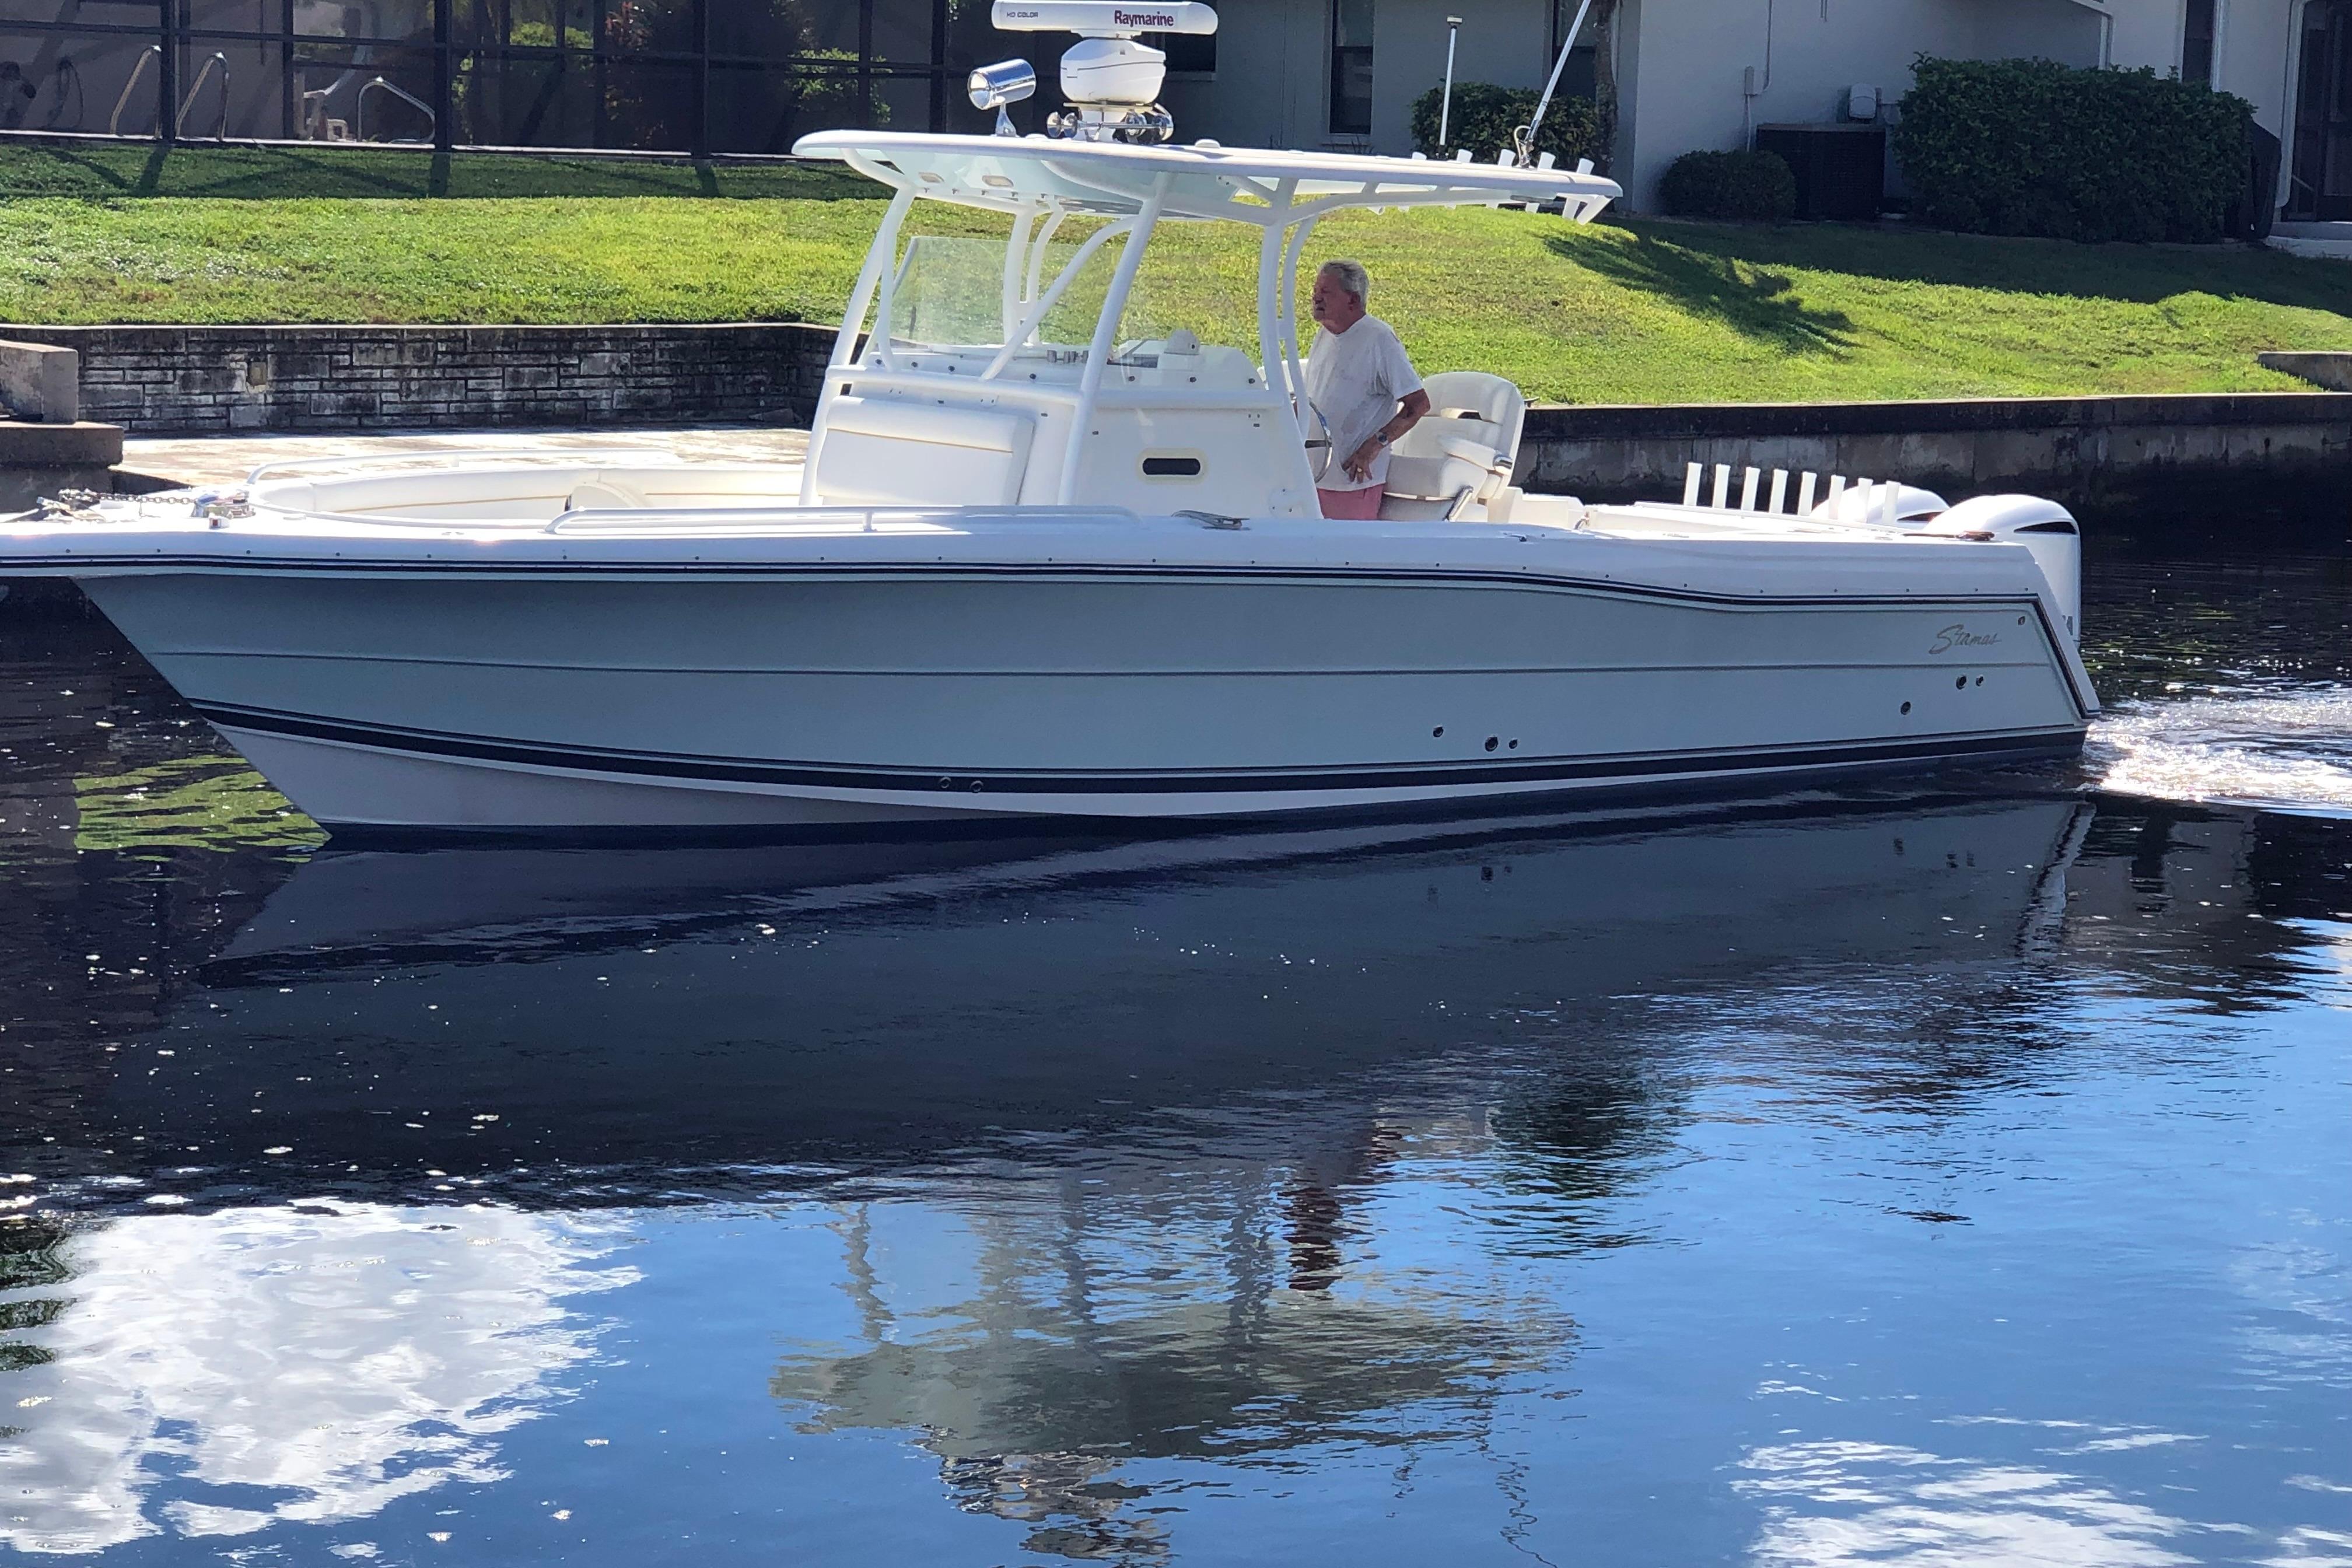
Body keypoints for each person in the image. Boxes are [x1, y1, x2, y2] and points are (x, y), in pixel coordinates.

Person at [1303, 259, 1431, 520]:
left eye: (1326, 292)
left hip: (1352, 480)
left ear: (1352, 300)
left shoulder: (1379, 339)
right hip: (1311, 477)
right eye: (1315, 290)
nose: (1316, 297)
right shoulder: (1324, 335)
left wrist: (1373, 447)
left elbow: (1418, 405)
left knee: (1344, 557)